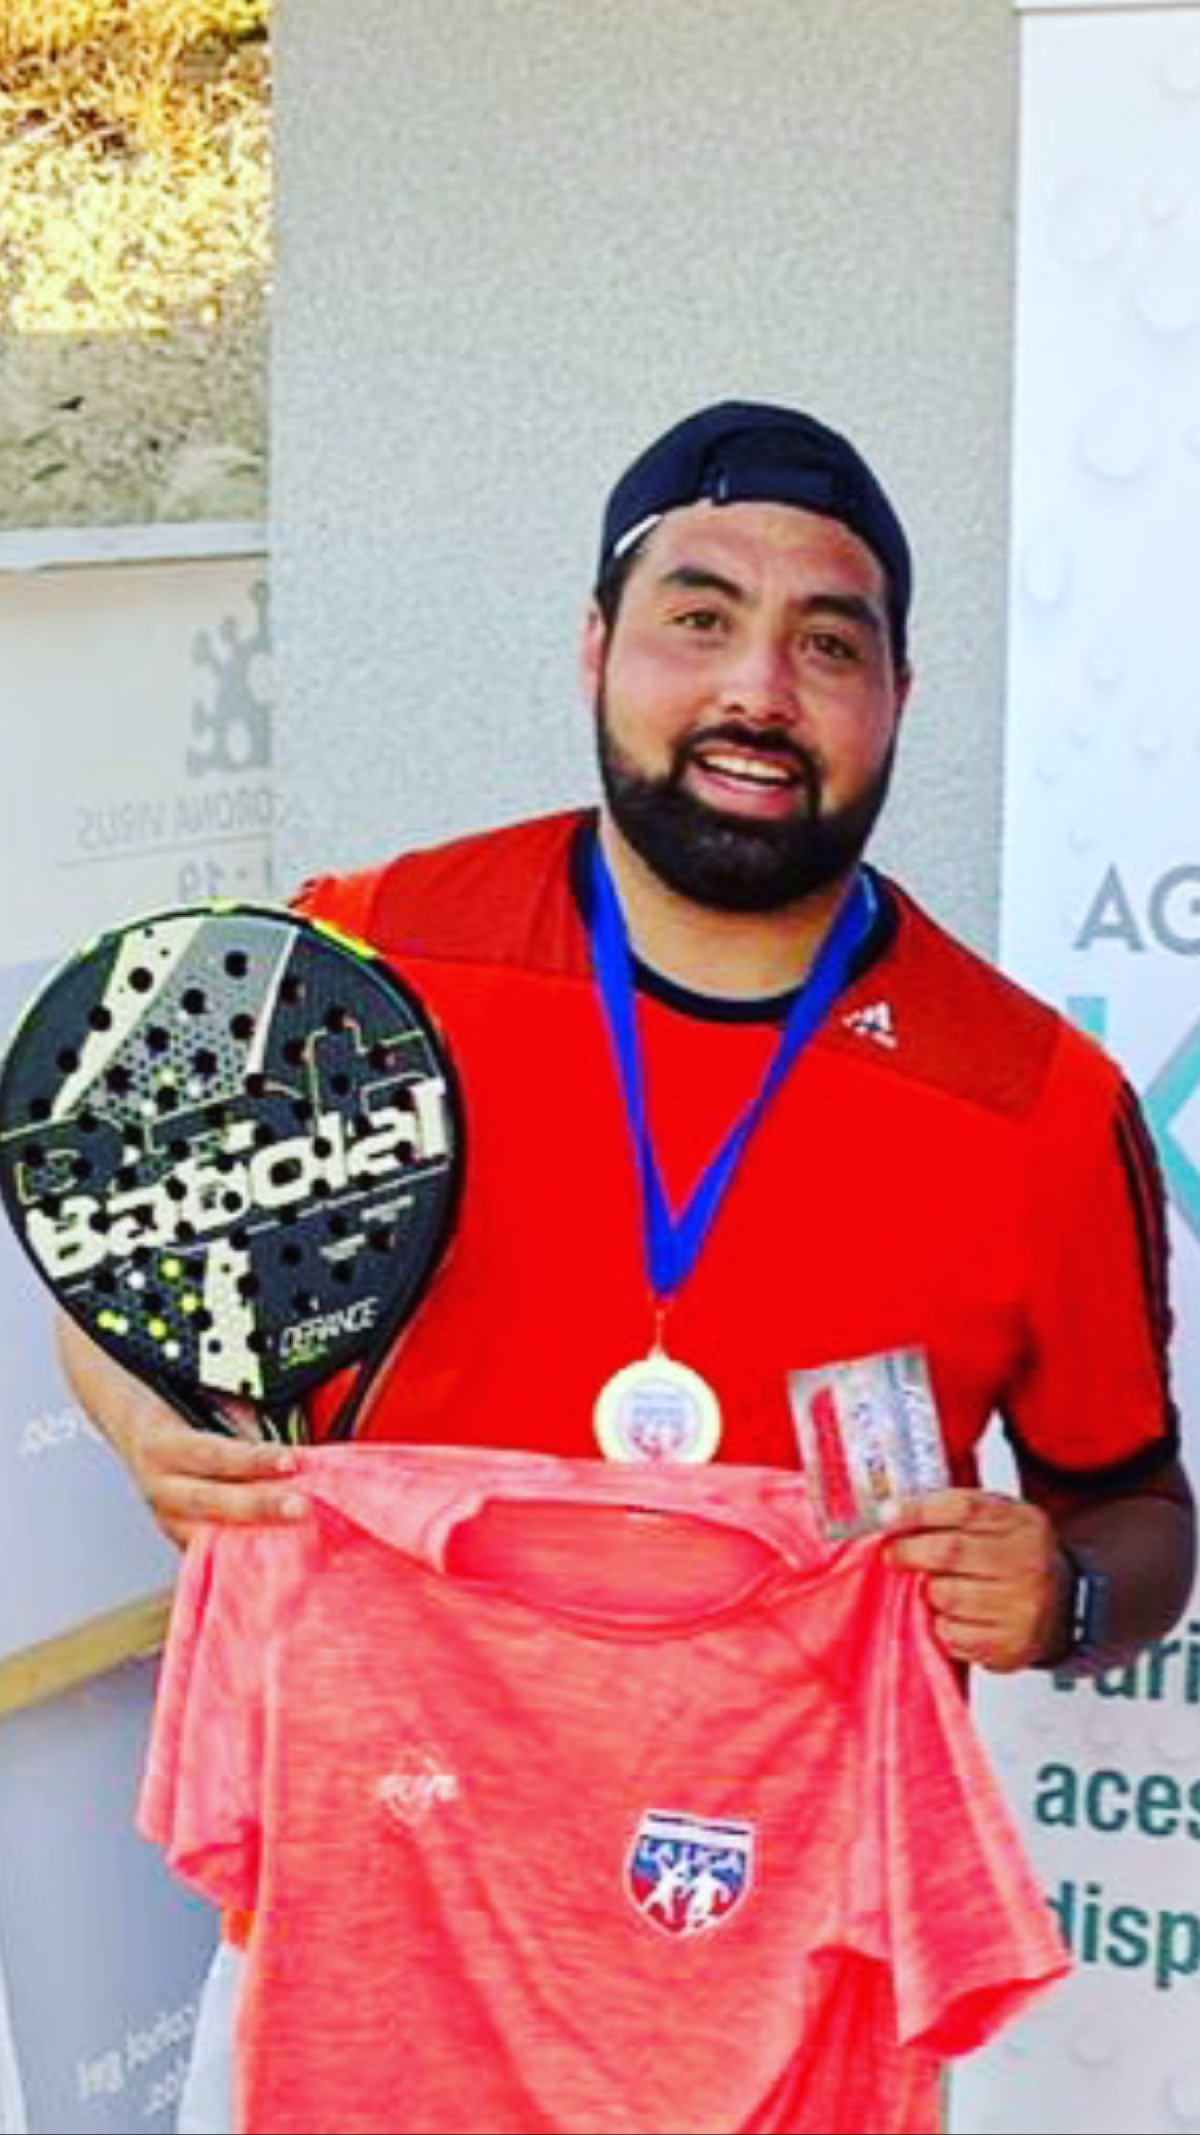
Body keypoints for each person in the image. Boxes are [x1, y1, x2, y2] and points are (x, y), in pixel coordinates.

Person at [60, 400, 1195, 2131]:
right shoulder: (363, 960)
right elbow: (112, 1265)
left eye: (830, 644)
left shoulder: (1039, 1105)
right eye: (699, 616)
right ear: (597, 644)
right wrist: (144, 1424)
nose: (760, 688)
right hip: (368, 1942)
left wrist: (1070, 1596)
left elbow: (1141, 1516)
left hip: (767, 1993)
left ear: (900, 696)